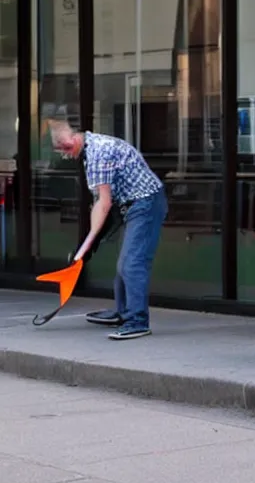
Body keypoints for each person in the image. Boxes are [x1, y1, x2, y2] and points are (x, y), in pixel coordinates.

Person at [47, 119, 168, 340]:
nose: (66, 156)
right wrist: (88, 242)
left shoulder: (97, 154)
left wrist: (87, 244)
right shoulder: (91, 147)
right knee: (125, 262)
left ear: (72, 139)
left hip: (145, 203)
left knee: (132, 263)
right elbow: (100, 203)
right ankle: (124, 312)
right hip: (132, 204)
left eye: (65, 150)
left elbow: (104, 203)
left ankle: (137, 321)